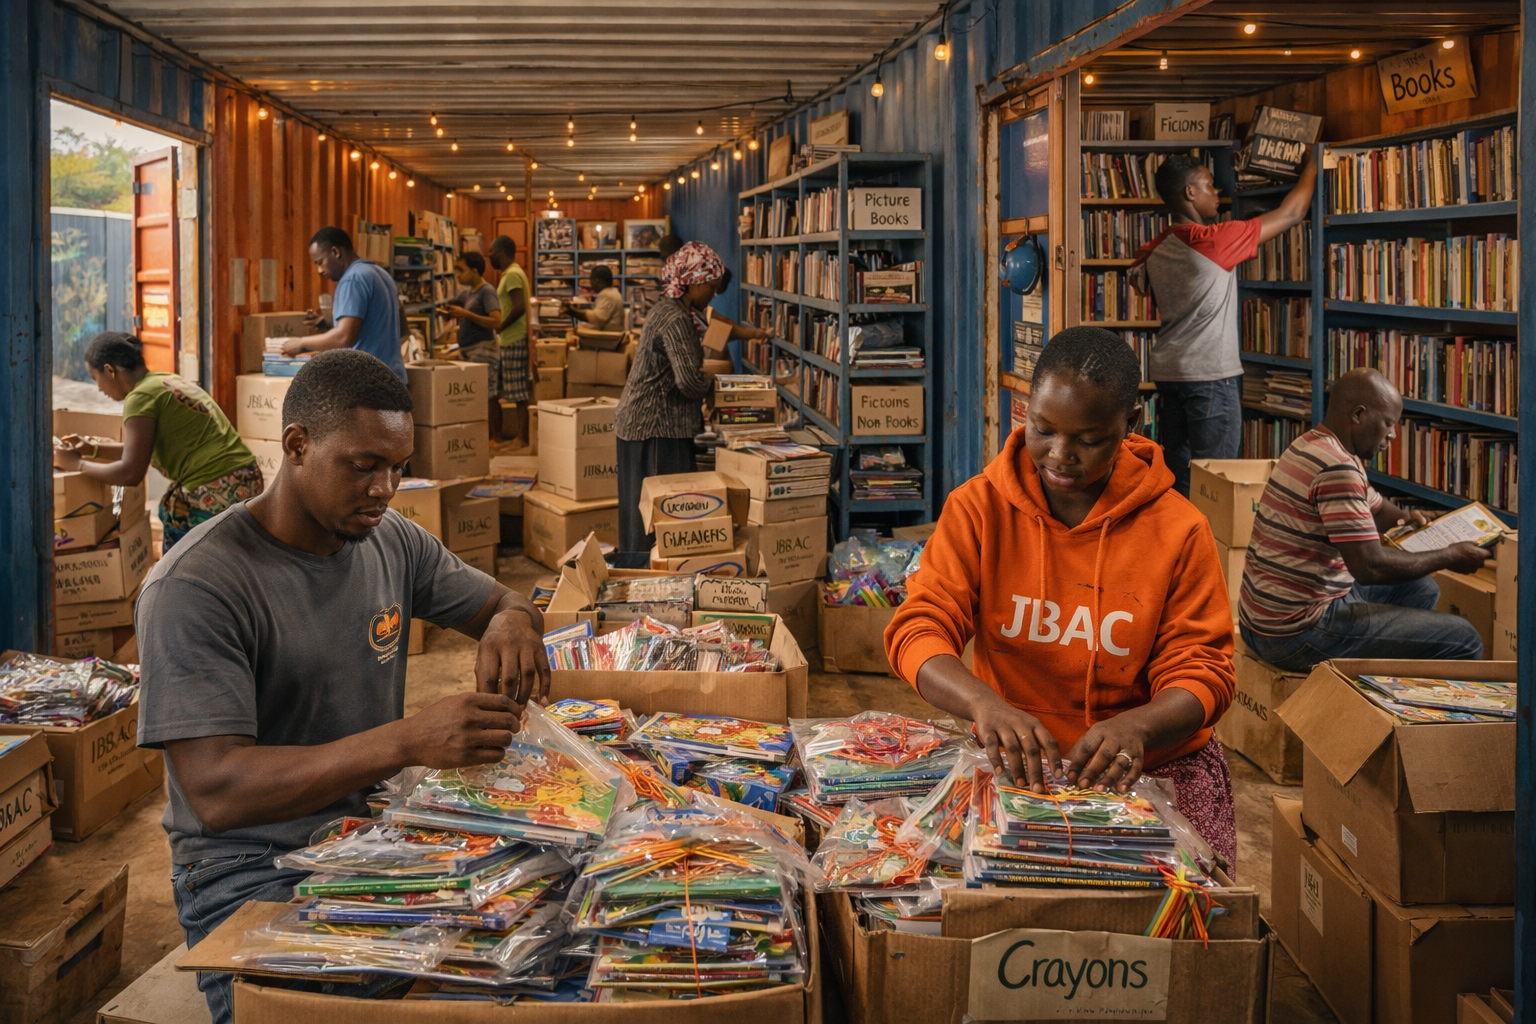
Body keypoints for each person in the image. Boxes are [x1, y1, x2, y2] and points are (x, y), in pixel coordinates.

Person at [135, 349, 549, 1024]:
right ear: (296, 446)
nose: (385, 488)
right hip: (252, 864)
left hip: (370, 835)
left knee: (537, 939)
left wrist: (511, 622)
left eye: (398, 468)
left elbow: (504, 600)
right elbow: (216, 791)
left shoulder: (390, 542)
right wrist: (408, 740)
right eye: (364, 466)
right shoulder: (199, 587)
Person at [885, 326, 1239, 866]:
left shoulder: (1180, 530)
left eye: (1089, 439)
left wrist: (1137, 726)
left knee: (1176, 929)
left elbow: (1205, 670)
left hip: (1150, 768)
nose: (1060, 454)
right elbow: (919, 628)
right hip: (1018, 763)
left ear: (1129, 426)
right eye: (1043, 429)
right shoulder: (977, 509)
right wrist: (985, 704)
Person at [1238, 368, 1488, 671]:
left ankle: (1379, 663)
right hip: (1294, 632)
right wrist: (1449, 555)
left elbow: (1379, 510)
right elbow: (1369, 566)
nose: (1393, 435)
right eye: (1388, 424)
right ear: (1358, 415)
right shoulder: (1338, 468)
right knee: (1465, 640)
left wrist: (1409, 519)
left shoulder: (1313, 444)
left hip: (1264, 619)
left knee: (1422, 588)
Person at [1137, 154, 1317, 496]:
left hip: (1170, 371)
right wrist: (1313, 163)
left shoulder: (1154, 247)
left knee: (1180, 475)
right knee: (1219, 480)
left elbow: (1139, 282)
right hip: (1210, 374)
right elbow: (1293, 213)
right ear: (1190, 192)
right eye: (1209, 184)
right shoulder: (1214, 240)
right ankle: (1212, 548)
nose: (1216, 191)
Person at [53, 332, 263, 550]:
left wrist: (76, 464)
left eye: (96, 379)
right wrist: (92, 449)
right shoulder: (165, 381)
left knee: (187, 560)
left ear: (109, 371)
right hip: (245, 478)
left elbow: (130, 473)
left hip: (216, 488)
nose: (98, 388)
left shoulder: (140, 398)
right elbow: (140, 450)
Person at [614, 241, 722, 554]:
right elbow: (688, 381)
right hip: (657, 428)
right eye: (712, 286)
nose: (714, 294)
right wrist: (713, 385)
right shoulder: (676, 319)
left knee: (640, 510)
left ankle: (637, 572)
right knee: (659, 517)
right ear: (695, 282)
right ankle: (649, 579)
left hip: (645, 426)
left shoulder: (669, 310)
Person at [282, 226, 407, 382]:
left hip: (367, 386)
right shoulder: (381, 273)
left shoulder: (352, 279)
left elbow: (344, 337)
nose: (319, 270)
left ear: (335, 252)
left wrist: (301, 343)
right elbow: (401, 330)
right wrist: (328, 321)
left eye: (320, 262)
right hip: (394, 381)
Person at [438, 249, 504, 436]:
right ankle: (484, 436)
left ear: (475, 271)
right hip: (469, 351)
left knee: (488, 395)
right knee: (476, 396)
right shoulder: (467, 292)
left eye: (461, 270)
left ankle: (495, 437)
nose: (457, 275)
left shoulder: (487, 291)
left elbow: (496, 321)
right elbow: (453, 304)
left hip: (484, 351)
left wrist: (466, 314)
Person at [488, 235, 532, 443]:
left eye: (492, 253)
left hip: (514, 338)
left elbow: (519, 306)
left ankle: (522, 438)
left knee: (519, 393)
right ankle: (513, 437)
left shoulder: (513, 275)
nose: (490, 257)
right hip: (509, 339)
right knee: (510, 390)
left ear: (502, 252)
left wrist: (500, 326)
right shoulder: (512, 273)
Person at [565, 264, 625, 331]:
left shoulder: (607, 295)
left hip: (609, 337)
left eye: (591, 279)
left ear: (597, 280)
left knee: (578, 332)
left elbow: (596, 318)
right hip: (612, 334)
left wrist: (572, 311)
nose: (591, 283)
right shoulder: (614, 292)